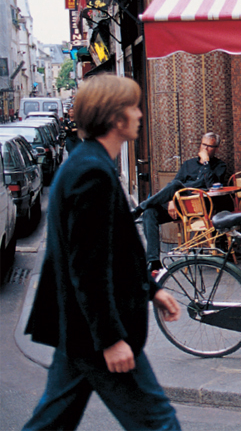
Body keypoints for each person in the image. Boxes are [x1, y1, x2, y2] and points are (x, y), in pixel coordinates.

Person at [24, 75, 181, 430]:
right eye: (132, 107)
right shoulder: (90, 173)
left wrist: (153, 290)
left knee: (52, 422)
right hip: (96, 333)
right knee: (159, 423)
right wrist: (111, 340)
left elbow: (114, 250)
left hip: (79, 328)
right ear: (115, 117)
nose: (139, 114)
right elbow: (88, 267)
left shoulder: (88, 164)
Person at [132, 132, 227, 271]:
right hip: (179, 207)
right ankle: (153, 261)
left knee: (176, 185)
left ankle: (139, 208)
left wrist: (206, 162)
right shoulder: (188, 164)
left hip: (199, 208)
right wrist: (171, 201)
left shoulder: (220, 166)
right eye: (203, 145)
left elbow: (210, 185)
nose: (205, 149)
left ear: (217, 148)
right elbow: (173, 185)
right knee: (150, 213)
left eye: (210, 146)